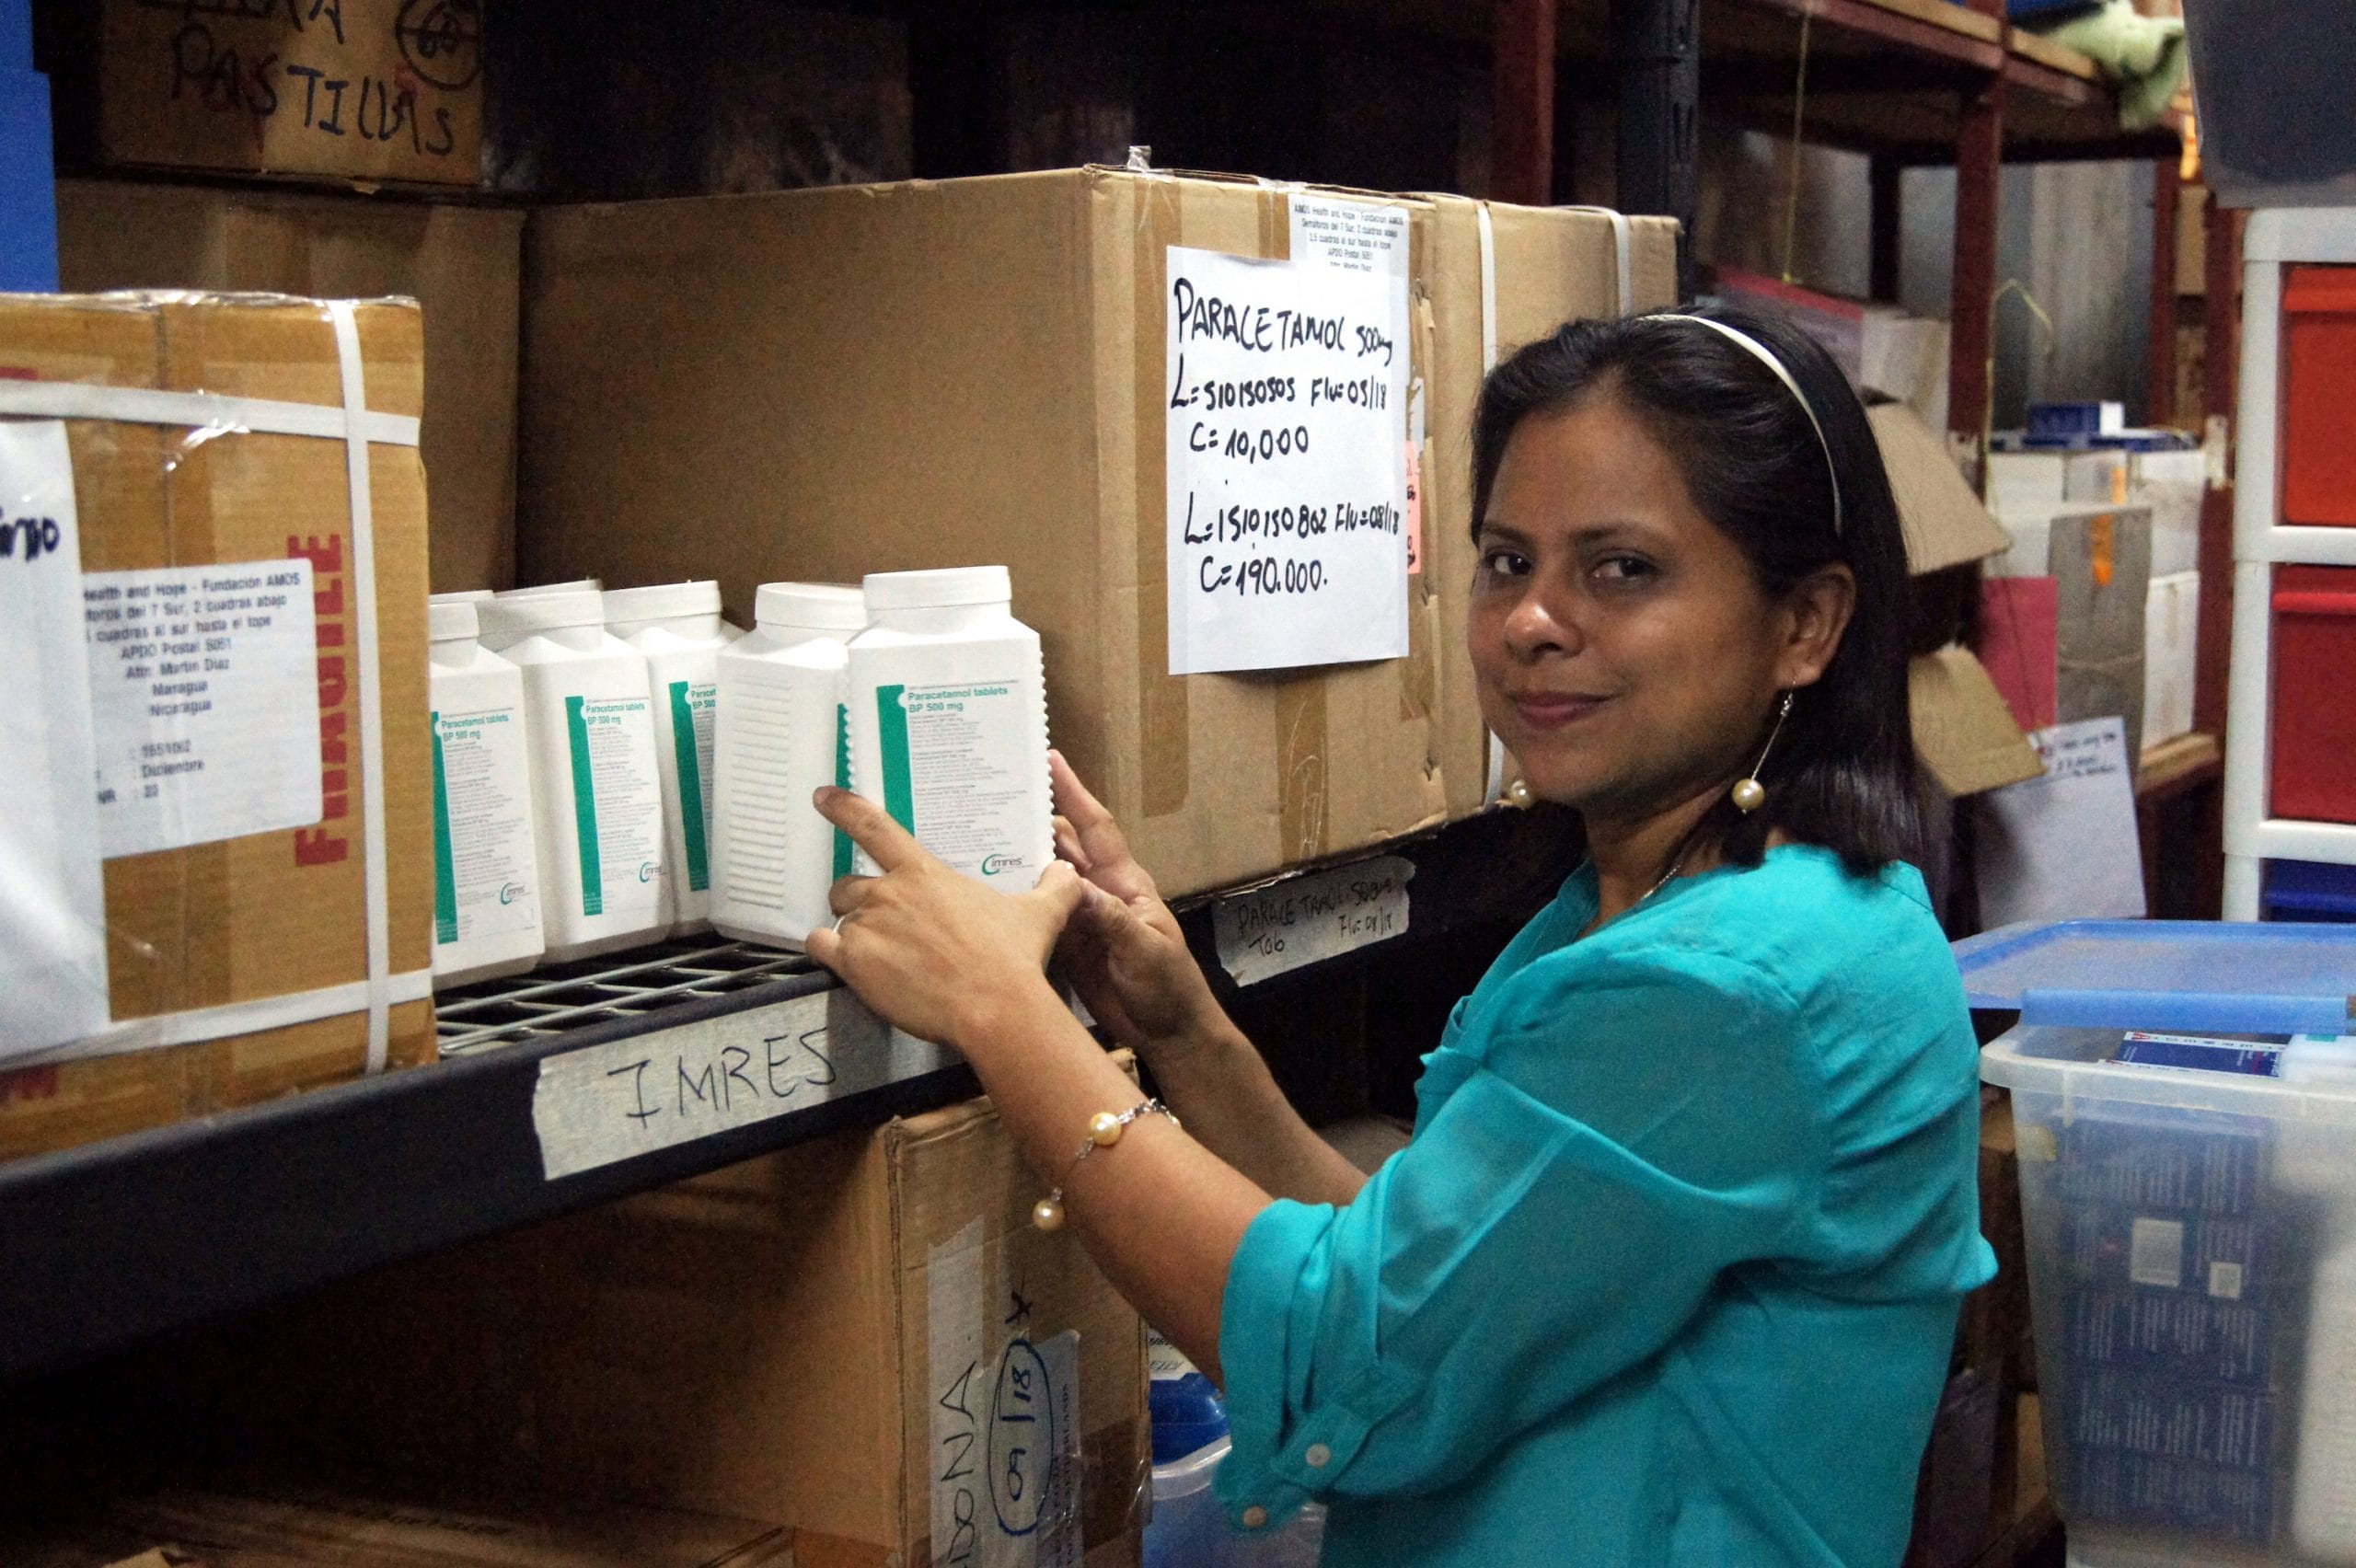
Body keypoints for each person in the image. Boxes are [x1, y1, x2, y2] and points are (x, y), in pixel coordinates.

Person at [805, 303, 1997, 1567]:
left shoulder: (1732, 984)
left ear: (1806, 624)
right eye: (1505, 561)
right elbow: (1444, 1285)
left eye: (1622, 569)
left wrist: (1005, 1013)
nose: (1534, 620)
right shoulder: (1680, 895)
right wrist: (1178, 1026)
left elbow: (1347, 1359)